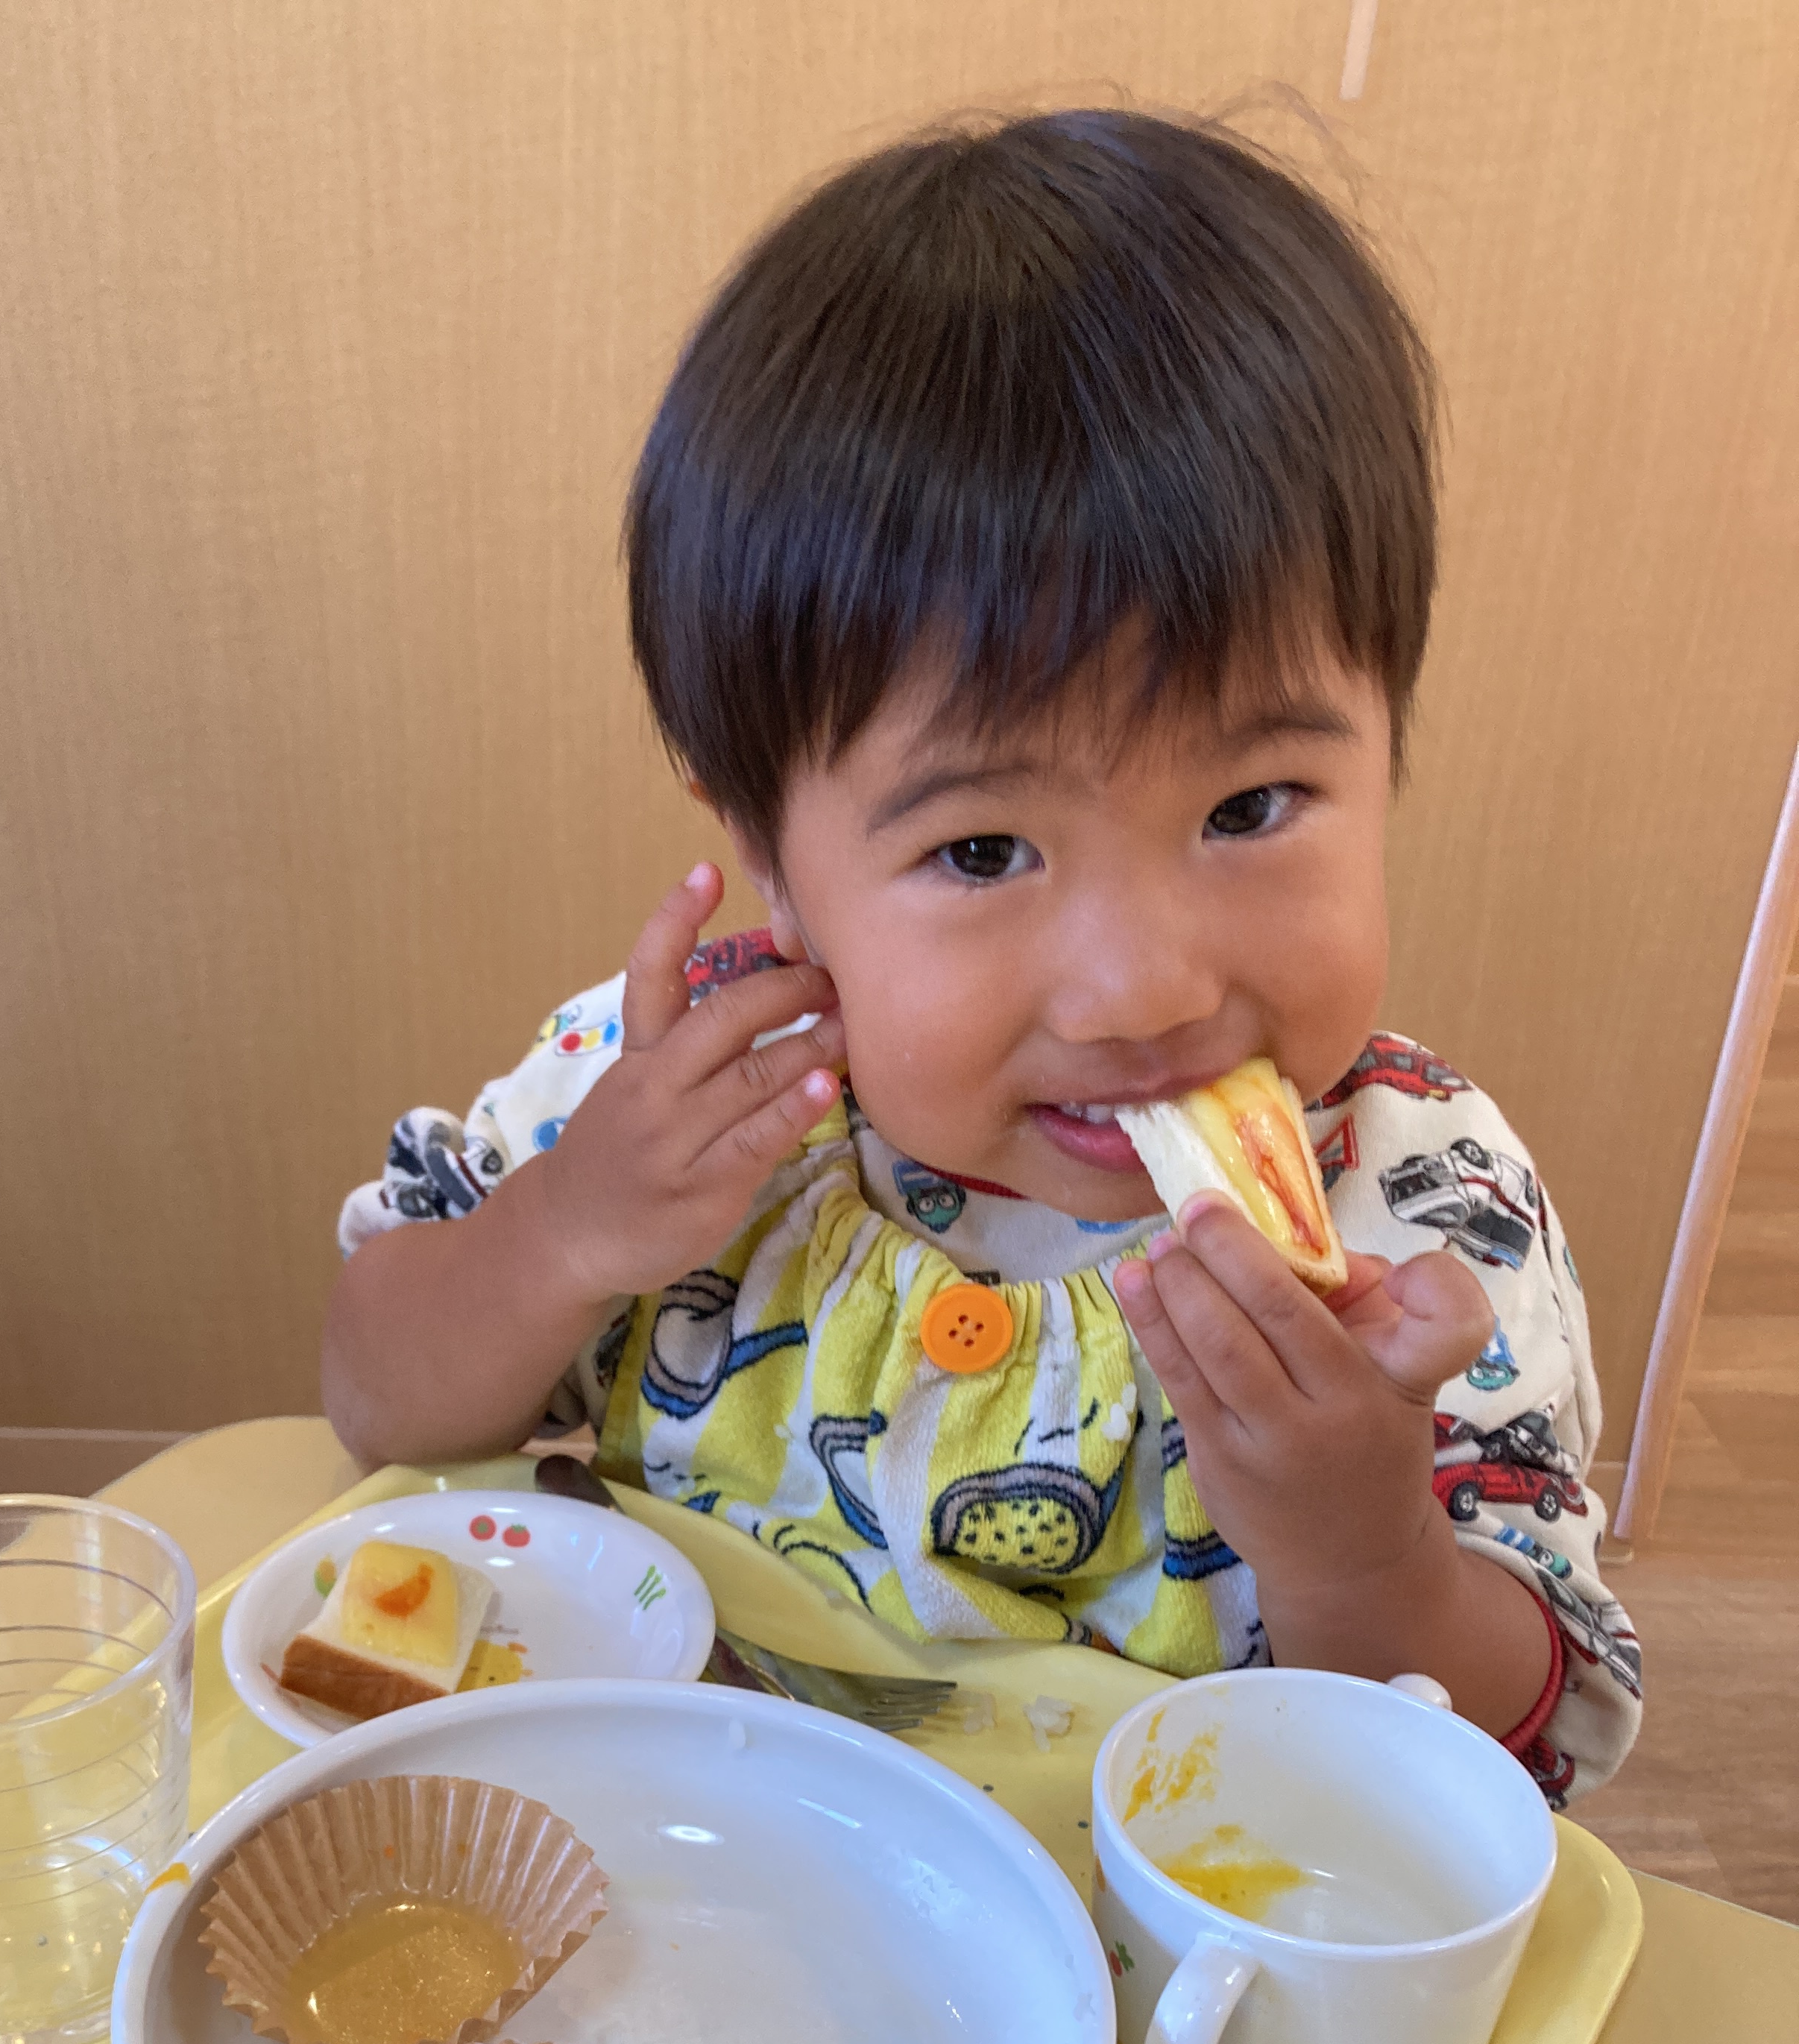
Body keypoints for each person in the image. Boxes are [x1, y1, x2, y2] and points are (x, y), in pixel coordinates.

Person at [324, 110, 1639, 1802]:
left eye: (1249, 807)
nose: (1146, 989)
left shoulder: (1418, 1213)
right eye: (981, 852)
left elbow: (1522, 1760)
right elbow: (379, 1404)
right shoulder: (681, 1102)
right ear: (772, 861)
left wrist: (1362, 1552)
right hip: (696, 1875)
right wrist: (563, 1233)